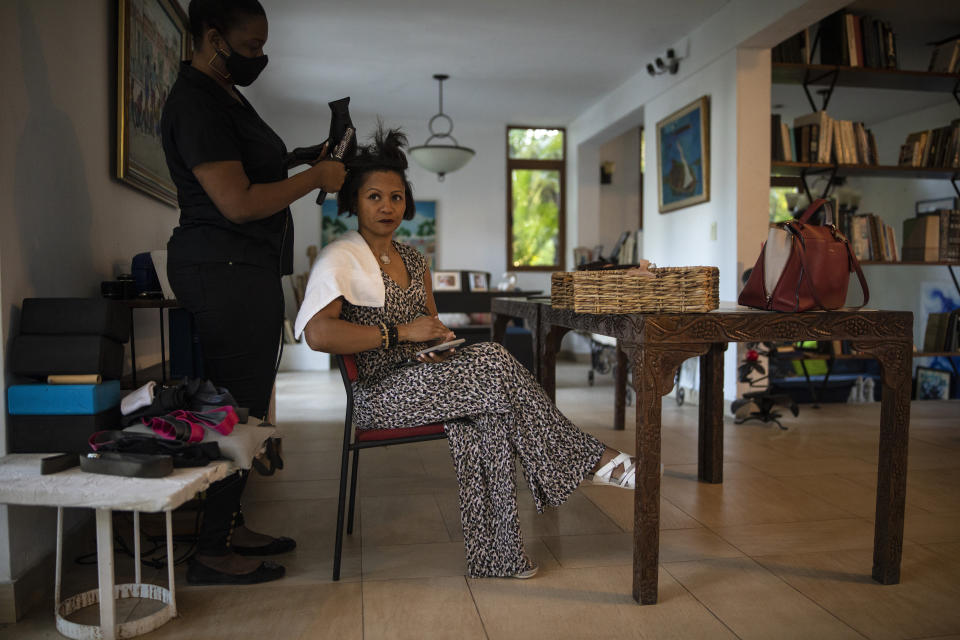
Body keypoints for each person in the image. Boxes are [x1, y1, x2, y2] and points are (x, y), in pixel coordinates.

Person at [295, 127, 639, 578]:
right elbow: (319, 335)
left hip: (427, 377)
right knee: (495, 359)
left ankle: (499, 557)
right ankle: (588, 459)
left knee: (490, 411)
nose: (386, 207)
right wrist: (400, 333)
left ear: (406, 204)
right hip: (379, 394)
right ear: (354, 201)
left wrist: (437, 343)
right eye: (374, 196)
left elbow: (432, 328)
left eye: (396, 198)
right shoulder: (340, 256)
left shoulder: (415, 261)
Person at [160, 0, 345, 585]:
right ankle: (212, 551)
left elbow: (250, 169)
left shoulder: (224, 95)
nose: (259, 57)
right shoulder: (195, 100)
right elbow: (237, 202)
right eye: (250, 47)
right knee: (234, 410)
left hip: (242, 267)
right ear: (213, 37)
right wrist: (314, 179)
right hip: (223, 265)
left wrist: (298, 158)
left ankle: (229, 523)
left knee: (246, 406)